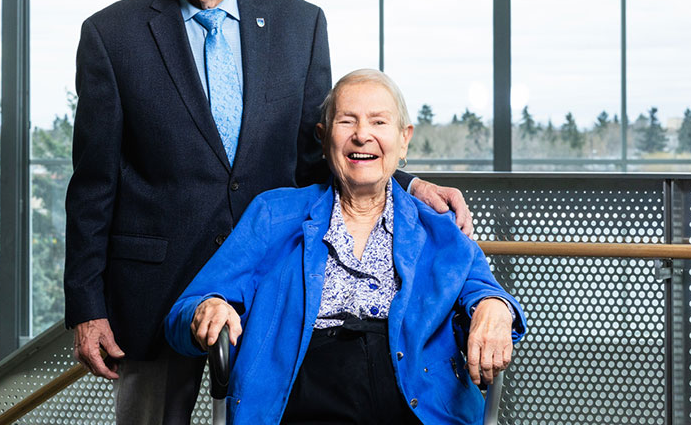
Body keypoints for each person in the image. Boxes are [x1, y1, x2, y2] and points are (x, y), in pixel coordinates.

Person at [65, 0, 474, 424]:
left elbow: (322, 147)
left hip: (271, 282)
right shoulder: (112, 36)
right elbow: (93, 184)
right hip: (153, 288)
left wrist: (406, 183)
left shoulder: (298, 24)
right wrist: (87, 308)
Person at [166, 69, 526, 425]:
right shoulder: (273, 215)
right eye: (347, 121)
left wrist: (495, 306)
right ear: (324, 138)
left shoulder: (439, 227)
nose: (362, 135)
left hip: (416, 407)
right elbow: (183, 314)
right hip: (301, 405)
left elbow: (482, 288)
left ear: (404, 140)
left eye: (379, 122)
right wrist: (206, 309)